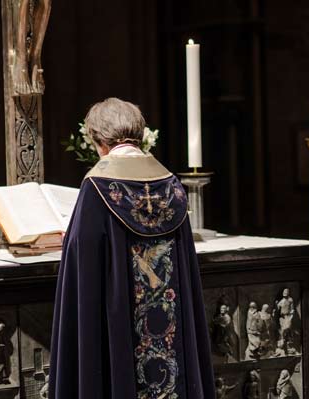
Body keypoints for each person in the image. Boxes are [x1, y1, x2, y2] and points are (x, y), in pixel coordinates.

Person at [49, 98, 215, 398]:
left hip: (120, 326)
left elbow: (81, 255)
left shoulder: (97, 186)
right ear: (139, 134)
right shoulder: (171, 186)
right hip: (168, 319)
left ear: (99, 141)